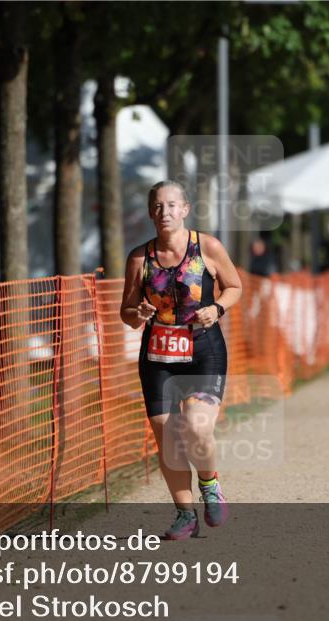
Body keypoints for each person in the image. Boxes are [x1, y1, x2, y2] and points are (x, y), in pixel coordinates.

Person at [120, 180, 241, 540]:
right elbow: (125, 312)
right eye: (158, 206)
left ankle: (210, 484)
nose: (165, 212)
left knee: (196, 426)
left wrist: (217, 308)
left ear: (185, 210)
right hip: (158, 353)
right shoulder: (140, 258)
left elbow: (234, 287)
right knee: (167, 437)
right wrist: (137, 312)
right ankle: (184, 514)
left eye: (172, 205)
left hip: (204, 348)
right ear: (150, 213)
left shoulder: (207, 247)